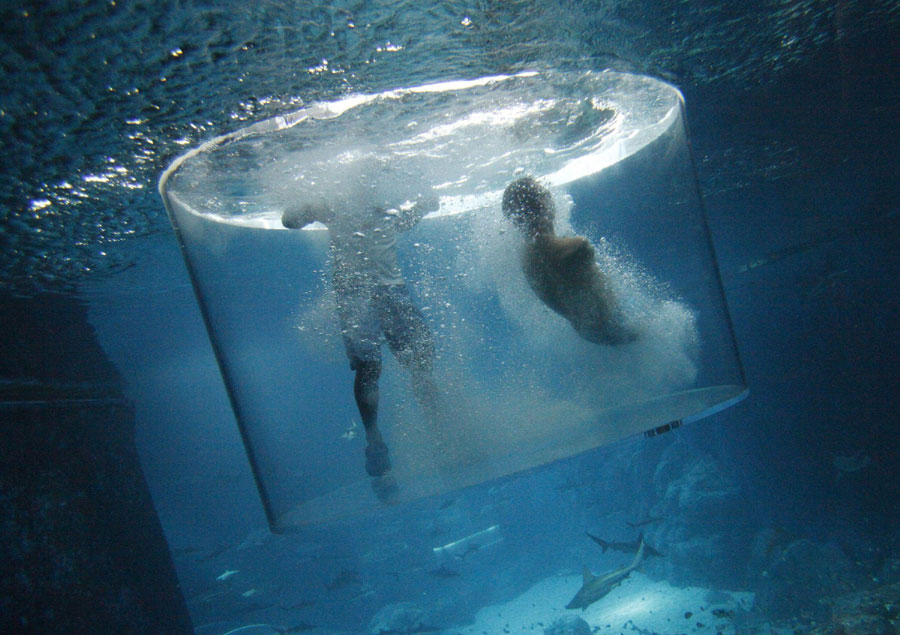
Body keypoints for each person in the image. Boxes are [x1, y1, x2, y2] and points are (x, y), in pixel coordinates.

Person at [282, 193, 439, 485]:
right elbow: (289, 221)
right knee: (369, 367)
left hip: (391, 288)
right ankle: (374, 438)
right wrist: (309, 207)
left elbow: (402, 221)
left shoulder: (384, 197)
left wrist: (423, 206)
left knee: (418, 359)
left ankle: (437, 422)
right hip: (354, 292)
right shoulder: (335, 196)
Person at [501, 176, 637, 346]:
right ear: (542, 204)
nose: (551, 199)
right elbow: (577, 250)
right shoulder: (559, 247)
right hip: (612, 326)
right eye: (545, 194)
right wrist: (582, 246)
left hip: (591, 330)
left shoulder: (527, 254)